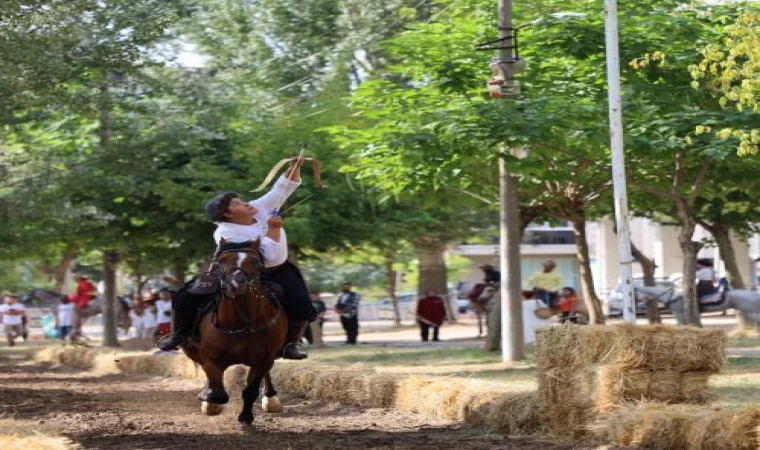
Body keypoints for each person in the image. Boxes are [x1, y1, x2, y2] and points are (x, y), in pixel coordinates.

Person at [158, 157, 317, 360]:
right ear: (227, 214)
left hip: (278, 270)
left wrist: (293, 167)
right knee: (184, 298)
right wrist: (274, 229)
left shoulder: (256, 208)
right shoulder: (227, 231)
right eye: (236, 203)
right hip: (236, 271)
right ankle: (178, 336)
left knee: (302, 302)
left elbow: (282, 189)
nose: (245, 203)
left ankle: (290, 344)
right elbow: (265, 255)